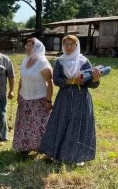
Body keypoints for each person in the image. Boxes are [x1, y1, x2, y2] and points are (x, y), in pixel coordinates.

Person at [40, 35, 101, 165]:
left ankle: (78, 156)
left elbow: (91, 84)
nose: (68, 47)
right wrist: (72, 80)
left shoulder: (84, 62)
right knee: (62, 123)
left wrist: (95, 79)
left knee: (79, 125)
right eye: (66, 44)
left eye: (71, 44)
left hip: (81, 98)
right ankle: (58, 154)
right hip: (65, 98)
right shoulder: (60, 61)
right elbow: (56, 80)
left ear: (76, 45)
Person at [12, 38, 53, 153]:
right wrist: (19, 94)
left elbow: (50, 83)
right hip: (25, 99)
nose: (27, 47)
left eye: (30, 45)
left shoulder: (42, 62)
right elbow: (22, 79)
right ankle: (24, 147)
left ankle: (40, 148)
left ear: (37, 48)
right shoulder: (26, 61)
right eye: (27, 45)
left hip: (38, 99)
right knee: (24, 124)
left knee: (38, 125)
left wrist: (48, 101)